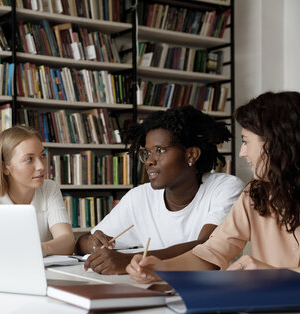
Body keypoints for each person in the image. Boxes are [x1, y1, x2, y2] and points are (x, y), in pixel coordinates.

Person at [127, 91, 300, 314]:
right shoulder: (255, 195)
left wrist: (273, 274)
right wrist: (160, 268)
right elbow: (211, 252)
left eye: (246, 142)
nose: (242, 153)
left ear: (276, 142)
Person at [77, 105, 245, 274]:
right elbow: (81, 243)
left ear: (191, 155)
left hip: (215, 292)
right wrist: (93, 243)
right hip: (158, 290)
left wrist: (131, 261)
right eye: (148, 153)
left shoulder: (225, 188)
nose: (149, 161)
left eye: (160, 151)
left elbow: (207, 247)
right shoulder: (140, 197)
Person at [0, 125, 75, 256]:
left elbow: (68, 241)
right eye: (29, 159)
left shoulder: (49, 188)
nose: (41, 166)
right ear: (5, 167)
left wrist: (42, 249)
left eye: (42, 156)